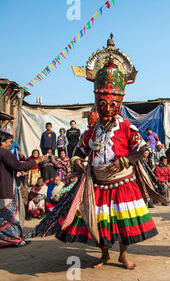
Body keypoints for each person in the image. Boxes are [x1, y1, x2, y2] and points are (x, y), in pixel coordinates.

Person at [29, 56, 160, 270]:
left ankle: (123, 255)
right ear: (97, 105)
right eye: (103, 104)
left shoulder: (127, 127)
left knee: (122, 222)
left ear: (119, 105)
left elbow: (143, 149)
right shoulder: (91, 131)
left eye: (112, 104)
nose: (107, 108)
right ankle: (105, 255)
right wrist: (77, 162)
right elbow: (78, 152)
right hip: (97, 184)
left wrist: (126, 160)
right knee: (100, 223)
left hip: (122, 184)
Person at [0, 131, 47, 247]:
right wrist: (37, 161)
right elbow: (17, 165)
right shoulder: (4, 152)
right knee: (9, 215)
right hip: (5, 189)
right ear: (2, 142)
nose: (10, 145)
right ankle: (13, 240)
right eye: (9, 142)